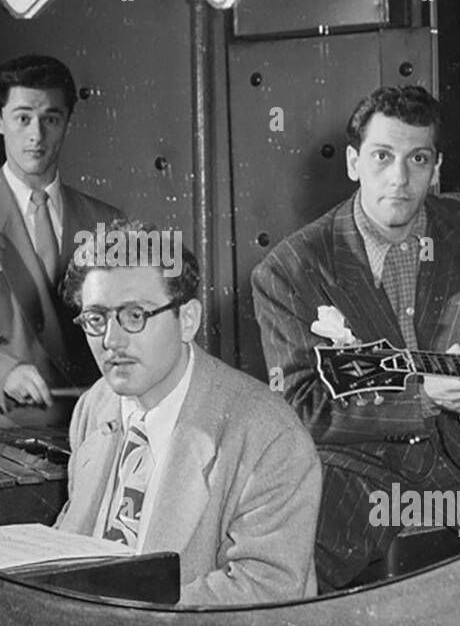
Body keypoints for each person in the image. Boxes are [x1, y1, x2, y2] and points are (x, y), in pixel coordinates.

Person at [252, 85, 460, 592]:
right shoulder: (291, 268)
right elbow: (300, 407)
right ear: (353, 162)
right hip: (364, 467)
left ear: (437, 167)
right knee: (289, 585)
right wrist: (419, 398)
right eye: (382, 156)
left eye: (418, 159)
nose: (399, 179)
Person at [55, 219, 320, 606]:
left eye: (134, 315)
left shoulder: (268, 435)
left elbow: (264, 590)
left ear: (188, 321)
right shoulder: (95, 406)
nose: (111, 341)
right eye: (96, 319)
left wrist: (119, 616)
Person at [0, 55, 123, 433]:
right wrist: (3, 373)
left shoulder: (108, 223)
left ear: (66, 124)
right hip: (1, 425)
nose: (36, 135)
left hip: (98, 424)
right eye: (23, 117)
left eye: (51, 119)